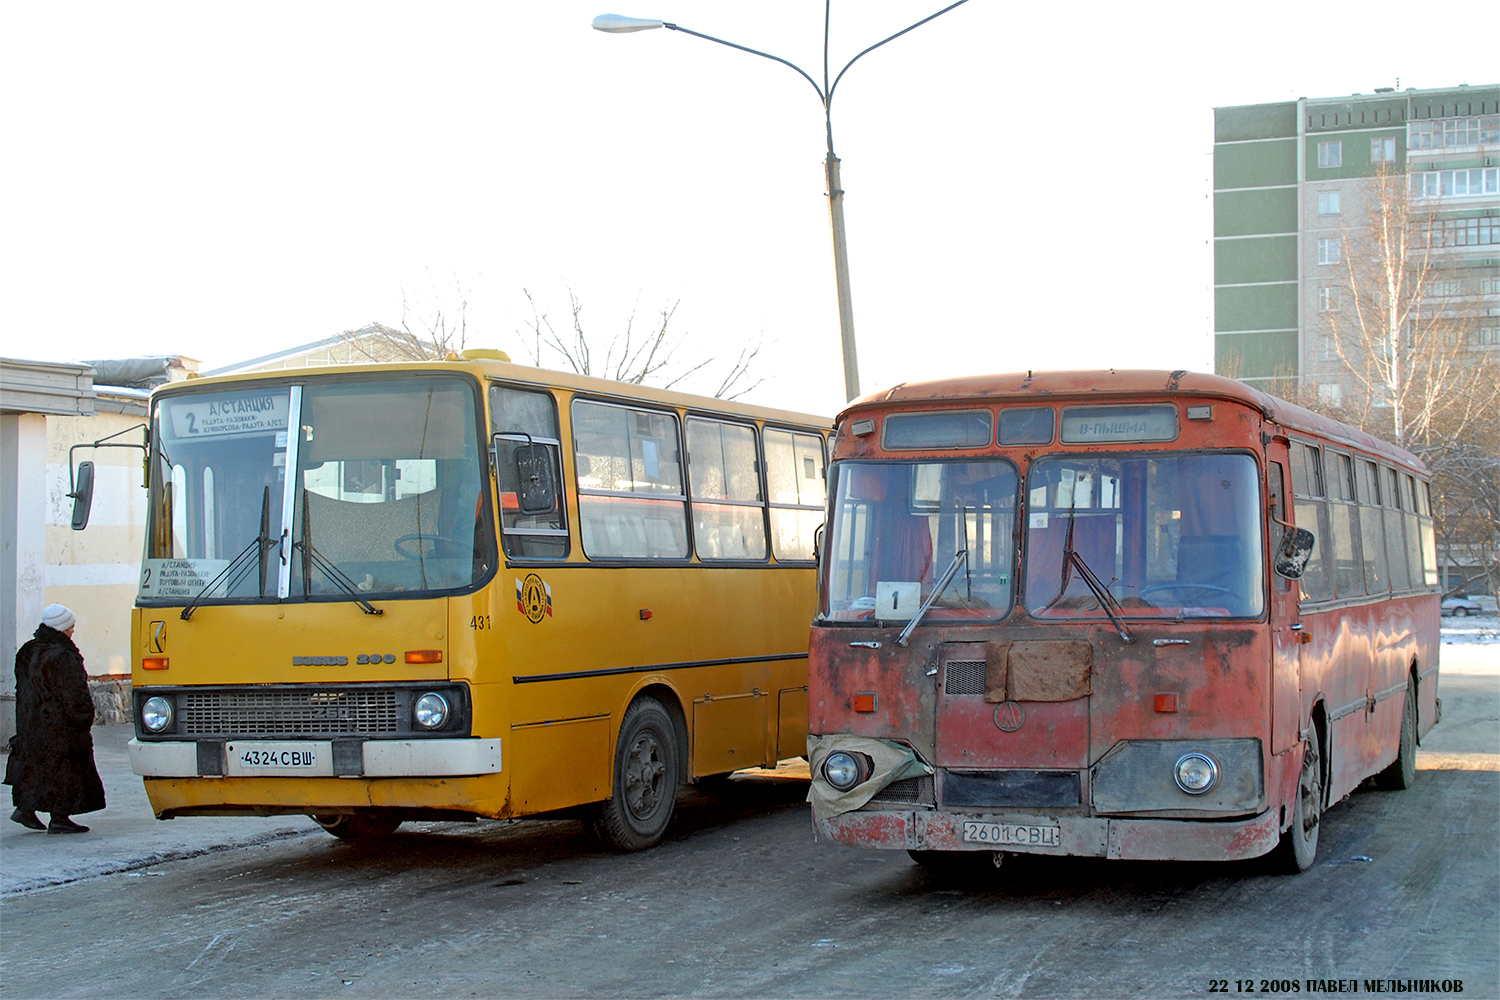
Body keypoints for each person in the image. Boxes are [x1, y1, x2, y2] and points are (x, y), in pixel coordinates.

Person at [4, 604, 106, 833]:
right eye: (70, 626)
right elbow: (73, 693)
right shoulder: (63, 655)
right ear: (61, 628)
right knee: (65, 769)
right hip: (60, 725)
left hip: (31, 722)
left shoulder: (28, 651)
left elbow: (23, 689)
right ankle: (60, 817)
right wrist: (83, 718)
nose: (72, 631)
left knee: (35, 767)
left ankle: (25, 809)